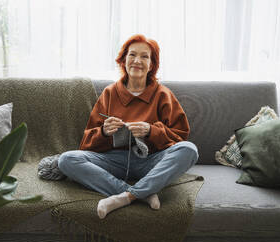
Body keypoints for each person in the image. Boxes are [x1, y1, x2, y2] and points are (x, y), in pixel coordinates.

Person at [58, 34, 199, 219]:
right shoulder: (109, 93)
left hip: (151, 160)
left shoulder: (163, 94)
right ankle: (142, 193)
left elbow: (180, 137)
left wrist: (151, 131)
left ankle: (125, 197)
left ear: (152, 64)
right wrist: (104, 132)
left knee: (189, 150)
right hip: (113, 161)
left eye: (144, 56)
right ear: (123, 60)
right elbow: (86, 143)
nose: (137, 61)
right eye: (132, 55)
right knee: (67, 159)